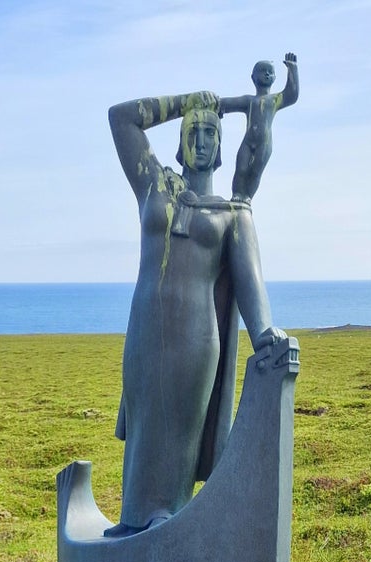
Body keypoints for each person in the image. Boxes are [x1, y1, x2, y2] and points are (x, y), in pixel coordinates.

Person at [105, 91, 286, 538]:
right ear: (179, 140)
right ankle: (133, 523)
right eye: (193, 131)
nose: (202, 141)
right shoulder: (154, 185)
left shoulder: (232, 214)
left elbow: (250, 284)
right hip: (145, 329)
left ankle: (166, 521)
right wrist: (196, 101)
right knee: (146, 422)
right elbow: (122, 118)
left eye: (210, 133)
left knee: (179, 428)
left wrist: (265, 332)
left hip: (195, 339)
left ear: (222, 147)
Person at [221, 53, 299, 204]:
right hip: (248, 142)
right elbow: (228, 103)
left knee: (256, 171)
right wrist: (215, 107)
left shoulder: (275, 100)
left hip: (264, 143)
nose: (267, 74)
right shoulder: (249, 101)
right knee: (241, 168)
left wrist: (292, 70)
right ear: (253, 77)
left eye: (270, 72)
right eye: (263, 71)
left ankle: (247, 197)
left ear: (275, 78)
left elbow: (291, 94)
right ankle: (237, 193)